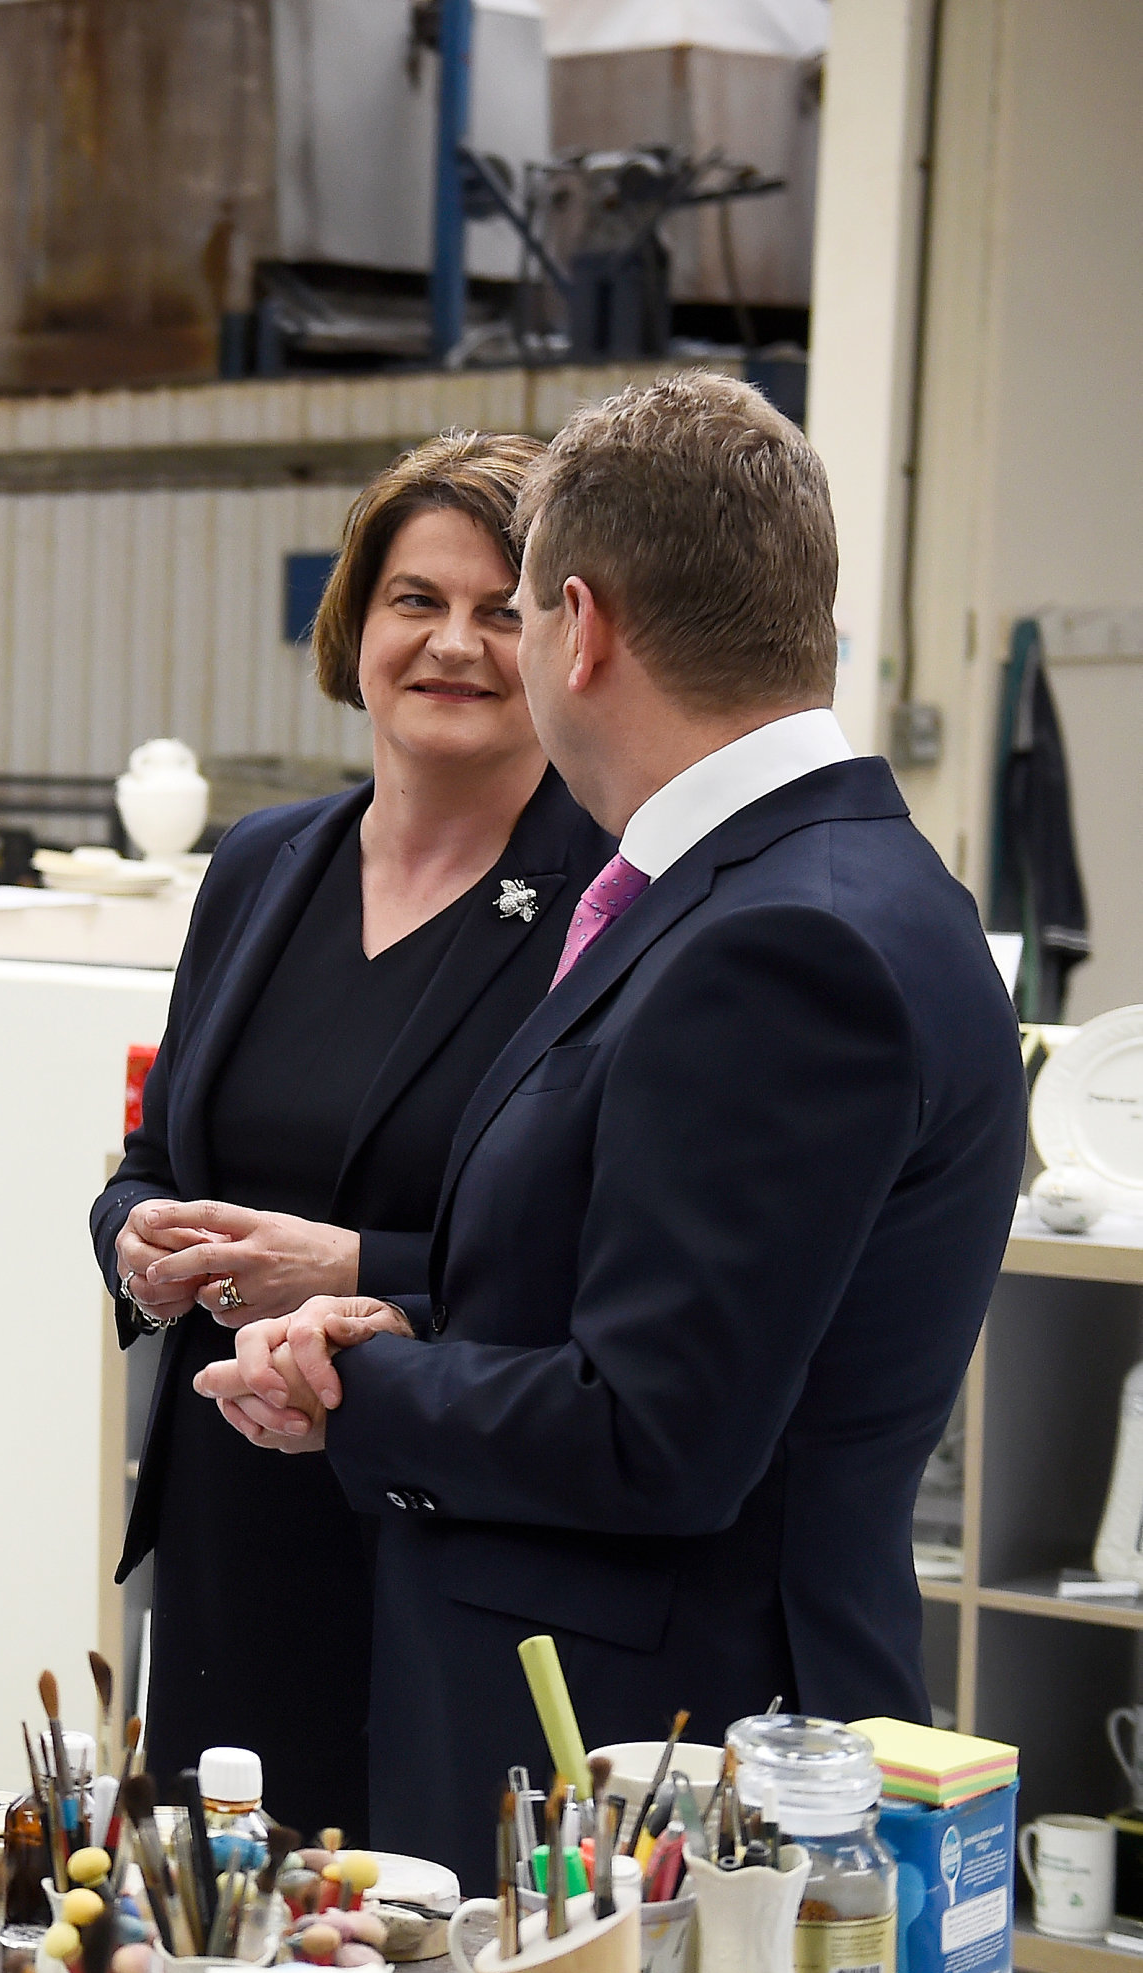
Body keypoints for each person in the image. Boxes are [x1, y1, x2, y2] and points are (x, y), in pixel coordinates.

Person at [200, 372, 1024, 1883]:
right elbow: (658, 1300)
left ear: (583, 626)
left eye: (512, 609)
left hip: (646, 1749)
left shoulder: (778, 943)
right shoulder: (827, 884)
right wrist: (404, 1314)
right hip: (640, 1713)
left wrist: (362, 1396)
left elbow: (661, 1431)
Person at [91, 431, 612, 1841]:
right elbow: (157, 1155)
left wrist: (352, 1262)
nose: (454, 643)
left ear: (571, 634)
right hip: (228, 1522)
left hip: (445, 1528)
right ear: (356, 623)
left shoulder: (604, 905)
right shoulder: (267, 864)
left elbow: (597, 1254)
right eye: (415, 600)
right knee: (225, 1942)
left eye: (502, 609)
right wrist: (133, 1233)